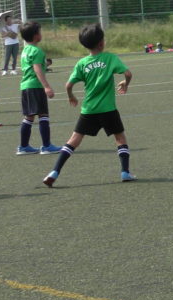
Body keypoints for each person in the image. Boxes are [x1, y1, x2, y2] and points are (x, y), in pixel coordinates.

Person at [42, 24, 135, 187]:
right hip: (108, 109)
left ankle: (54, 172)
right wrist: (125, 84)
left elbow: (68, 85)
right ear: (101, 43)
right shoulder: (110, 58)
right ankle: (125, 172)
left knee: (74, 140)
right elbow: (128, 73)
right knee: (120, 138)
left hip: (89, 109)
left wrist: (71, 96)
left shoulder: (82, 63)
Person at [16, 21, 62, 155]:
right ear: (36, 35)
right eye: (40, 32)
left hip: (25, 86)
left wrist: (44, 64)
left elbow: (33, 66)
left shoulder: (25, 50)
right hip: (35, 86)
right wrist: (47, 86)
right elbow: (37, 69)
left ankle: (23, 147)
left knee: (29, 117)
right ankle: (46, 146)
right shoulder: (37, 51)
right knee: (43, 115)